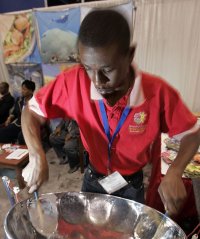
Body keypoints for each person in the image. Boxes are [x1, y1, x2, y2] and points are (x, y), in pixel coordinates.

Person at [21, 10, 200, 218]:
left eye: (107, 69)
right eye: (88, 68)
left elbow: (192, 133)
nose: (97, 81)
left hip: (131, 183)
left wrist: (176, 170)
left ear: (129, 55)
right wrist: (36, 155)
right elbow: (30, 112)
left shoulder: (157, 92)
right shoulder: (74, 82)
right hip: (93, 178)